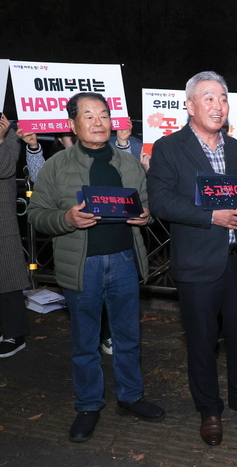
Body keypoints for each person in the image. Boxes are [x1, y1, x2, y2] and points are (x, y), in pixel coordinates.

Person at [27, 92, 164, 443]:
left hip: (123, 262)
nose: (98, 122)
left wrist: (144, 217)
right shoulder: (56, 166)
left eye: (103, 115)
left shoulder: (129, 163)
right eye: (88, 116)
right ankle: (88, 404)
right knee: (85, 342)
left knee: (127, 337)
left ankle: (131, 396)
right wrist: (66, 217)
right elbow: (37, 215)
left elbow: (144, 208)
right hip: (80, 267)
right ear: (73, 123)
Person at [147, 71, 237, 446]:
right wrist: (210, 215)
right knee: (201, 341)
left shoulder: (233, 148)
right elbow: (161, 201)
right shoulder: (169, 148)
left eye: (223, 99)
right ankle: (210, 410)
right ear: (189, 105)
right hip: (198, 261)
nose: (218, 106)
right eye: (209, 98)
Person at [0, 114, 31, 358]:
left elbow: (6, 168)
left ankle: (14, 333)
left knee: (8, 275)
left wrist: (2, 138)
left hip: (2, 216)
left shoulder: (9, 134)